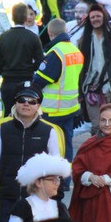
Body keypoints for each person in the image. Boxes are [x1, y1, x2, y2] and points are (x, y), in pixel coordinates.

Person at [0, 83, 63, 222]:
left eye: (32, 101)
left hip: (36, 199)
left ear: (38, 106)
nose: (26, 104)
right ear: (15, 103)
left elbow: (56, 168)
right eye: (22, 99)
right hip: (8, 197)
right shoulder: (2, 129)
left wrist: (53, 197)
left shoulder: (49, 131)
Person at [32, 18, 83, 161]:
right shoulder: (75, 51)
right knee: (66, 147)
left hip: (53, 111)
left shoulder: (55, 53)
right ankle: (65, 180)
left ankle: (52, 180)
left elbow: (39, 81)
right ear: (65, 31)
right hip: (71, 108)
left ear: (49, 33)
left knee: (50, 148)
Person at [6, 153, 71, 222]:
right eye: (52, 180)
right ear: (38, 182)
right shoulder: (23, 206)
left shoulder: (60, 207)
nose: (57, 184)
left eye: (58, 180)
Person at [77, 4, 111, 125]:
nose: (95, 19)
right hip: (91, 90)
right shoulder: (84, 41)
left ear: (104, 17)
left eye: (98, 16)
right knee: (97, 126)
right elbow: (79, 69)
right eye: (92, 17)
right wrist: (80, 92)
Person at [0, 3, 44, 115]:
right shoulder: (32, 37)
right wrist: (30, 69)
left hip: (7, 82)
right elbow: (40, 60)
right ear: (26, 18)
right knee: (27, 115)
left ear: (12, 17)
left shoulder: (3, 38)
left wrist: (4, 71)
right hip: (26, 82)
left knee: (8, 116)